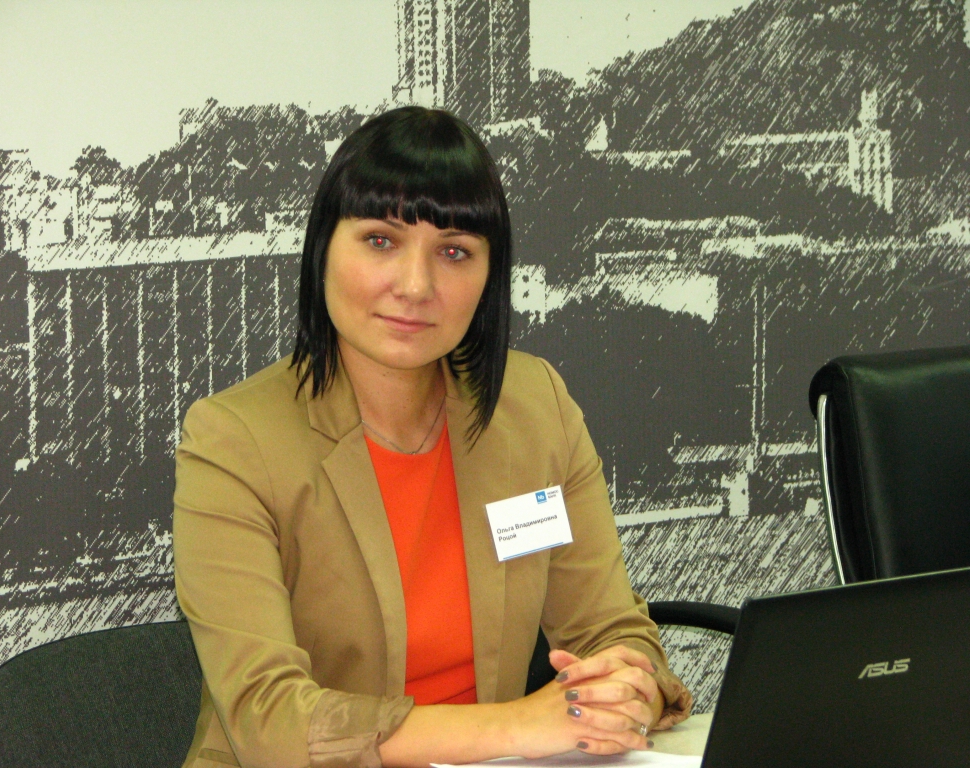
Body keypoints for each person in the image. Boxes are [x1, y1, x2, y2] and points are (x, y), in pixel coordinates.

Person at [173, 106, 691, 768]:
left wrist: (627, 690)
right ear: (322, 249)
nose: (416, 286)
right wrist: (521, 725)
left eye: (453, 252)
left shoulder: (535, 407)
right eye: (380, 240)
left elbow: (610, 630)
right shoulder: (233, 440)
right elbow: (271, 723)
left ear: (489, 274)